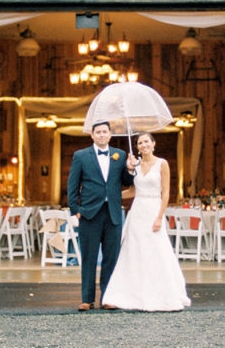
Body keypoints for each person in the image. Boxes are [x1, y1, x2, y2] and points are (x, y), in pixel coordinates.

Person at [101, 131, 191, 312]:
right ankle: (131, 294)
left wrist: (159, 217)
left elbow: (165, 193)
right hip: (137, 212)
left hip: (153, 210)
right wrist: (108, 196)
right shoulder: (136, 165)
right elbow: (132, 191)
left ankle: (162, 294)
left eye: (146, 141)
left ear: (153, 143)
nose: (144, 145)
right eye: (140, 143)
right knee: (134, 252)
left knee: (157, 250)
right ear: (137, 147)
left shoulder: (162, 164)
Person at [67, 122, 135, 311]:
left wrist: (130, 169)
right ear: (92, 135)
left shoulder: (120, 155)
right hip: (89, 213)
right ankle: (87, 299)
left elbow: (126, 182)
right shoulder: (81, 156)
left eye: (105, 132)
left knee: (111, 258)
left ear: (111, 134)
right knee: (89, 257)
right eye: (98, 132)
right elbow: (72, 185)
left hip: (113, 213)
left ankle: (108, 297)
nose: (102, 135)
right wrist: (76, 210)